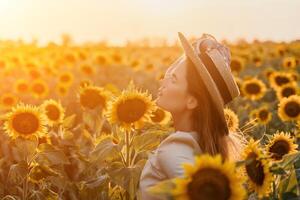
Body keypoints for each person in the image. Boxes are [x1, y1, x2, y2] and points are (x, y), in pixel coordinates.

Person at [137, 32, 247, 200]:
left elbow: (197, 190)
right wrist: (204, 46)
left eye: (173, 79)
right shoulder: (202, 144)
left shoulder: (175, 147)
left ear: (191, 101)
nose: (162, 80)